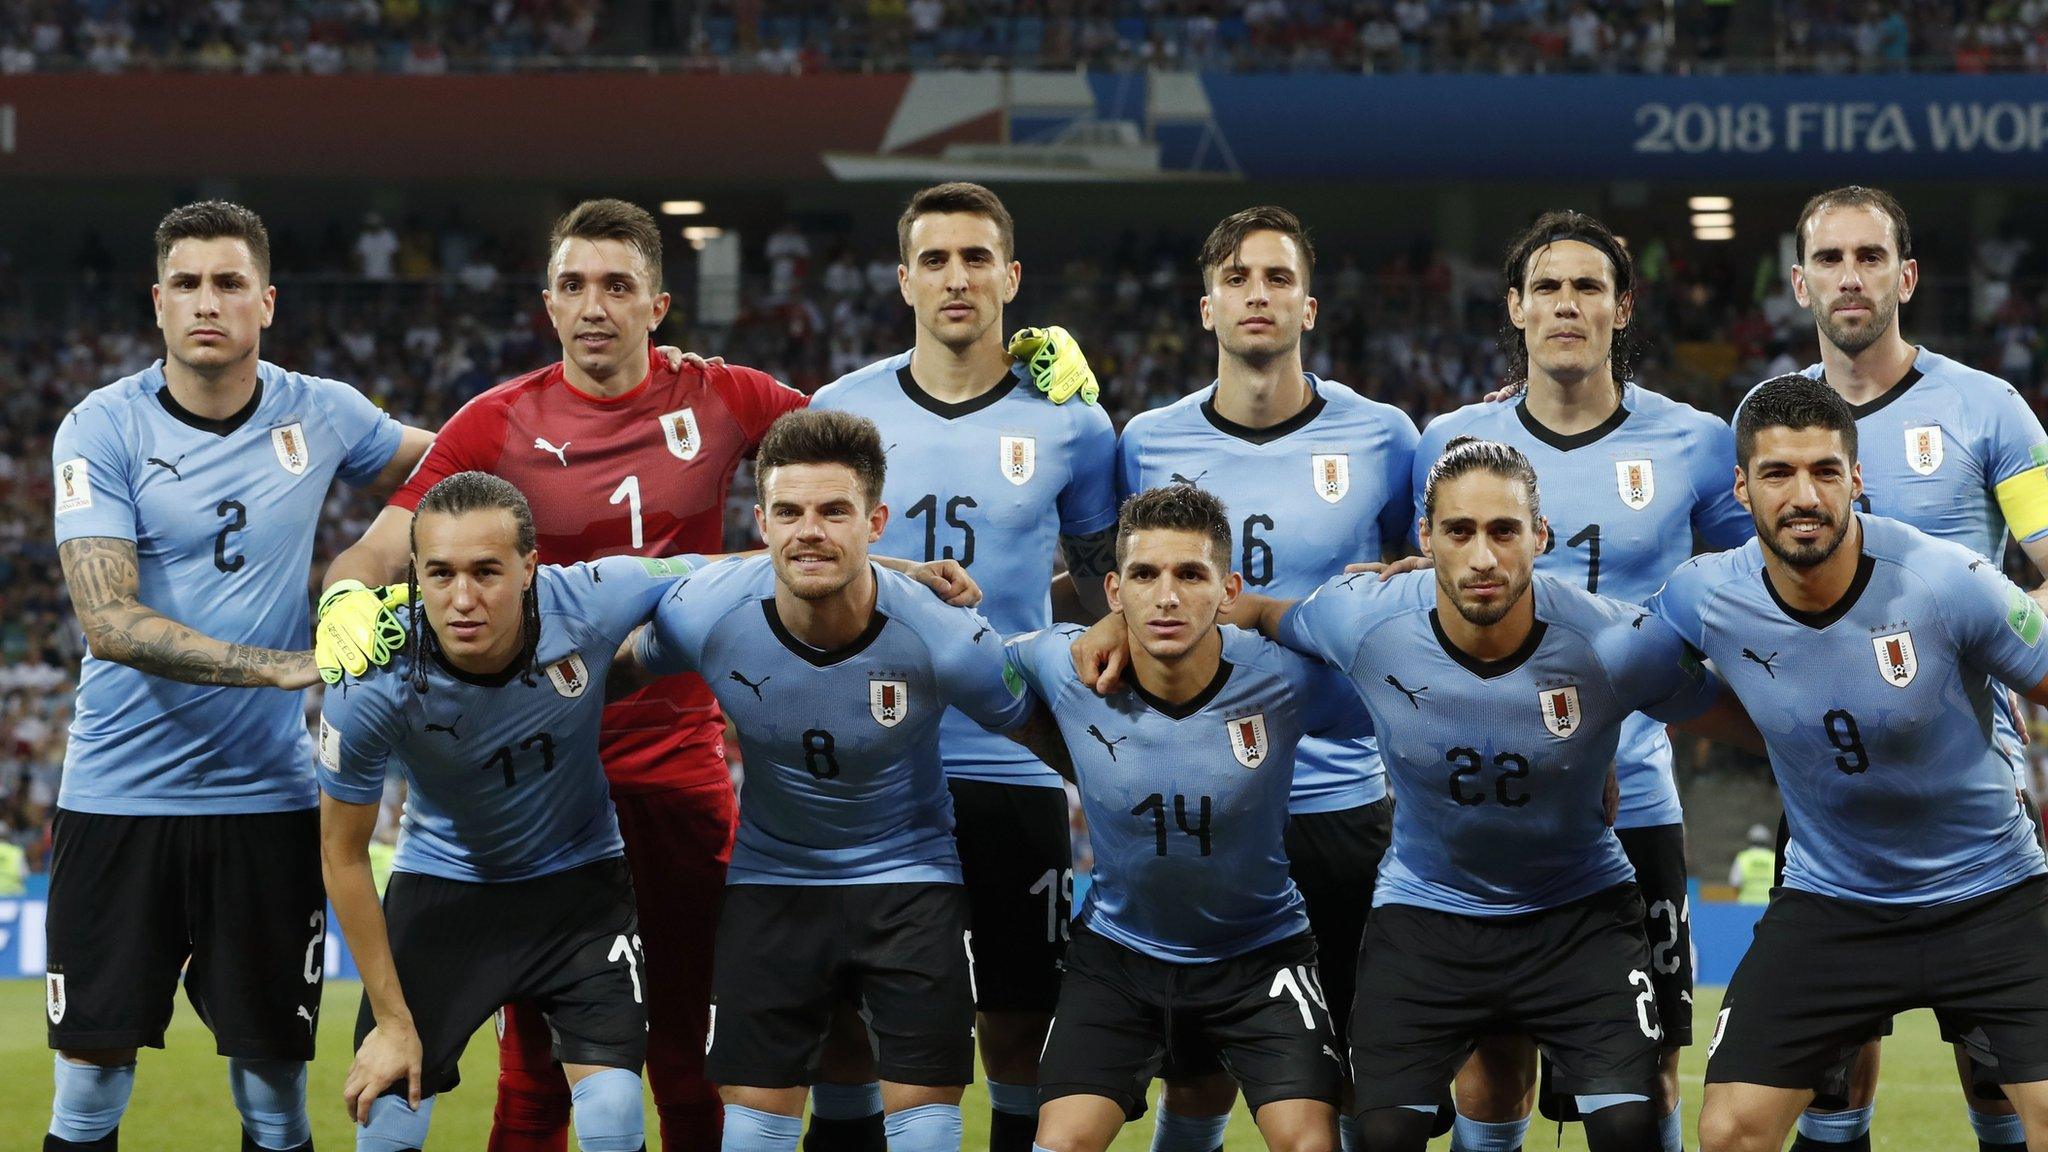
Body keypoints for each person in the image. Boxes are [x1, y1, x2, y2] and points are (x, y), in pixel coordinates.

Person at [316, 195, 1092, 1152]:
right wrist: (345, 602)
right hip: (547, 775)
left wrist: (1016, 379)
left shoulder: (721, 394)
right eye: (573, 285)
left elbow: (834, 488)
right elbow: (372, 558)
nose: (594, 305)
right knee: (539, 1065)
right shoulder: (494, 421)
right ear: (547, 305)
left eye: (617, 285)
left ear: (659, 304)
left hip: (679, 765)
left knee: (692, 1046)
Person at [1213, 437, 1760, 1152]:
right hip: (1425, 917)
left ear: (1540, 535)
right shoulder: (1363, 617)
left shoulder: (1615, 641)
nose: (1481, 557)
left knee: (1631, 1123)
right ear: (1424, 538)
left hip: (1579, 916)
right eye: (1458, 532)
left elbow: (1745, 716)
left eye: (1503, 531)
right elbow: (1258, 612)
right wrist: (1115, 626)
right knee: (1378, 1135)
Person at [45, 200, 430, 1152]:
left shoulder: (325, 411)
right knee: (88, 1093)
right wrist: (296, 665)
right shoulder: (101, 427)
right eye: (185, 284)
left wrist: (369, 573)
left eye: (226, 283)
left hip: (264, 807)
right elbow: (110, 620)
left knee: (272, 1096)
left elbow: (462, 472)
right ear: (158, 303)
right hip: (115, 800)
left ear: (266, 300)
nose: (205, 302)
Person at [625, 409, 1071, 1152]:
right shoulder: (706, 611)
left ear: (876, 521)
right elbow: (609, 679)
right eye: (791, 512)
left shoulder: (943, 636)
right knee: (754, 1127)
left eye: (835, 511)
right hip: (772, 884)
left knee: (927, 1127)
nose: (811, 530)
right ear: (761, 522)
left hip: (910, 884)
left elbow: (1045, 732)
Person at [1416, 210, 1753, 1152]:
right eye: (1550, 287)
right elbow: (1421, 611)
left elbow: (1745, 590)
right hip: (1487, 806)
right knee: (1491, 1068)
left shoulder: (1693, 442)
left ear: (1623, 306)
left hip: (1636, 802)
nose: (1569, 304)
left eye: (1589, 286)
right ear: (1516, 308)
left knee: (1644, 1071)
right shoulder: (1450, 440)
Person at [1653, 375, 2048, 1152]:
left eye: (1825, 472)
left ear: (1857, 480)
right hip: (1836, 900)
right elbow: (1615, 676)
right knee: (1731, 1131)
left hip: (1990, 894)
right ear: (1742, 488)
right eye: (1777, 474)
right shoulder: (1702, 597)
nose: (1804, 495)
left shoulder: (1944, 581)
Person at [807, 181, 1120, 1152]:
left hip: (1011, 760)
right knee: (846, 1016)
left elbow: (1106, 585)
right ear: (903, 280)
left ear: (1011, 277)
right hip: (870, 762)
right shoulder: (838, 411)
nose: (956, 277)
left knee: (1019, 1019)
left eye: (976, 258)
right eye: (935, 260)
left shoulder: (1073, 423)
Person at [1112, 205, 1418, 1152]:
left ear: (1309, 305)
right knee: (1195, 1078)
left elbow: (1417, 598)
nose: (1258, 295)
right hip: (1201, 793)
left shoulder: (1386, 438)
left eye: (1278, 278)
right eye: (1238, 279)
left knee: (1368, 1074)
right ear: (1206, 307)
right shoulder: (1146, 442)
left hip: (1341, 795)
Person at [1752, 186, 2048, 1152]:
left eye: (1869, 257)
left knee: (1998, 1073)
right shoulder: (1769, 422)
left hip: (1974, 774)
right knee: (1830, 1072)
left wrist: (1985, 630)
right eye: (1829, 260)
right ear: (1799, 283)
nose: (1850, 277)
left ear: (1905, 276)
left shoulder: (1987, 408)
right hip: (1829, 783)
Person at [320, 472, 701, 1152]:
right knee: (385, 1116)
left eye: (486, 572)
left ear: (530, 568)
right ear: (414, 572)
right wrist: (390, 1019)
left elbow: (730, 573)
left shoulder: (588, 598)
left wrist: (887, 569)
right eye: (439, 574)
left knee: (615, 1114)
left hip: (580, 887)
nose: (462, 598)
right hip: (444, 889)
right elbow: (342, 855)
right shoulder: (372, 675)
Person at [1013, 484, 1367, 1152]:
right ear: (1114, 591)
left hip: (1261, 956)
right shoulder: (1062, 665)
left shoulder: (1288, 680)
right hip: (1119, 956)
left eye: (1190, 575)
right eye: (1146, 575)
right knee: (1059, 1145)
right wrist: (1060, 749)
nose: (1167, 596)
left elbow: (1416, 696)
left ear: (1228, 589)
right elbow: (977, 668)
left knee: (1312, 1144)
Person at [1729, 826, 1776, 906]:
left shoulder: (1743, 857)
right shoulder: (1773, 857)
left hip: (1746, 907)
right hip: (1769, 906)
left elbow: (1735, 883)